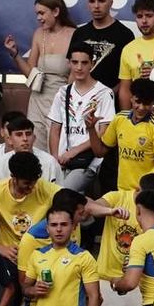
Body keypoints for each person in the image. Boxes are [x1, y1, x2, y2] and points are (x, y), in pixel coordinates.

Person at [5, 0, 80, 140]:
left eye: (42, 13)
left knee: (59, 148)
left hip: (61, 100)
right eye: (37, 14)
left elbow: (77, 74)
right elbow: (30, 73)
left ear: (56, 11)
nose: (39, 18)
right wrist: (15, 54)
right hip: (37, 100)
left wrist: (67, 103)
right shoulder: (39, 34)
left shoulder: (74, 34)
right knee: (36, 147)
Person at [46, 44, 114, 197]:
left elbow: (103, 132)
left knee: (63, 194)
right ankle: (88, 217)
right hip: (63, 160)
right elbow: (55, 128)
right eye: (75, 62)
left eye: (84, 63)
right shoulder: (63, 92)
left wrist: (74, 151)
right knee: (61, 198)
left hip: (88, 161)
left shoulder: (104, 93)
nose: (79, 67)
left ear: (92, 64)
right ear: (69, 63)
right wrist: (55, 159)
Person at [74, 0, 136, 93]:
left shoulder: (125, 34)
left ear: (110, 3)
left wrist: (108, 95)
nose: (96, 6)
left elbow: (129, 75)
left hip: (112, 102)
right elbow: (72, 71)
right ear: (88, 4)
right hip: (81, 101)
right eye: (92, 1)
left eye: (101, 1)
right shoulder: (79, 33)